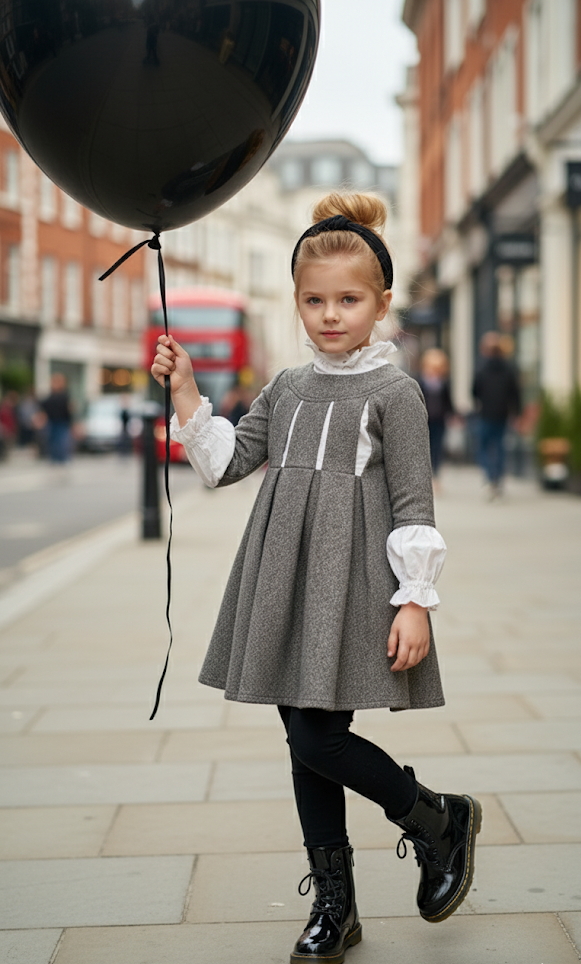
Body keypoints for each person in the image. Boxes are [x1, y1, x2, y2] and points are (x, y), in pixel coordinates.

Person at [152, 193, 482, 962]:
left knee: (316, 736)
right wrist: (187, 392)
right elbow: (229, 461)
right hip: (284, 579)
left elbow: (411, 502)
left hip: (354, 584)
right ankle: (336, 907)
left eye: (348, 299)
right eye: (313, 300)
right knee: (302, 740)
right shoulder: (289, 387)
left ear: (380, 303)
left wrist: (414, 601)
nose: (330, 314)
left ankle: (434, 818)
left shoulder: (394, 394)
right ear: (295, 300)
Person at [473, 331, 521, 498]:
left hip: (486, 413)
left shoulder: (481, 367)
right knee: (499, 446)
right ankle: (497, 479)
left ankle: (489, 477)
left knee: (485, 447)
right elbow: (515, 392)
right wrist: (516, 412)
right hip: (502, 414)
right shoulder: (508, 368)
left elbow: (474, 391)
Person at [417, 348, 454, 481]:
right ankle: (426, 474)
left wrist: (452, 415)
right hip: (424, 420)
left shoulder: (443, 383)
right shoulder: (419, 381)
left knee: (437, 447)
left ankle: (436, 474)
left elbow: (448, 401)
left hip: (439, 420)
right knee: (424, 448)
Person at [39, 373, 73, 464]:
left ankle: (62, 458)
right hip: (52, 422)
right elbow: (43, 407)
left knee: (62, 441)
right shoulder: (51, 396)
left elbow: (69, 411)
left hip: (62, 422)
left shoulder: (64, 396)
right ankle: (54, 458)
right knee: (52, 440)